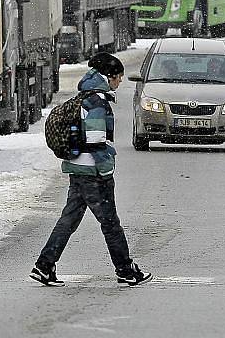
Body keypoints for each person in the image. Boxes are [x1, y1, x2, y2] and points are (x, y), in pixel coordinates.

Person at [30, 52, 153, 287]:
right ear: (109, 77)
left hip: (77, 169)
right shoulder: (97, 102)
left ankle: (44, 266)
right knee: (110, 224)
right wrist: (106, 170)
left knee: (69, 220)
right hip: (93, 173)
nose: (119, 83)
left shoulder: (83, 97)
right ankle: (126, 270)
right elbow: (96, 140)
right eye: (118, 78)